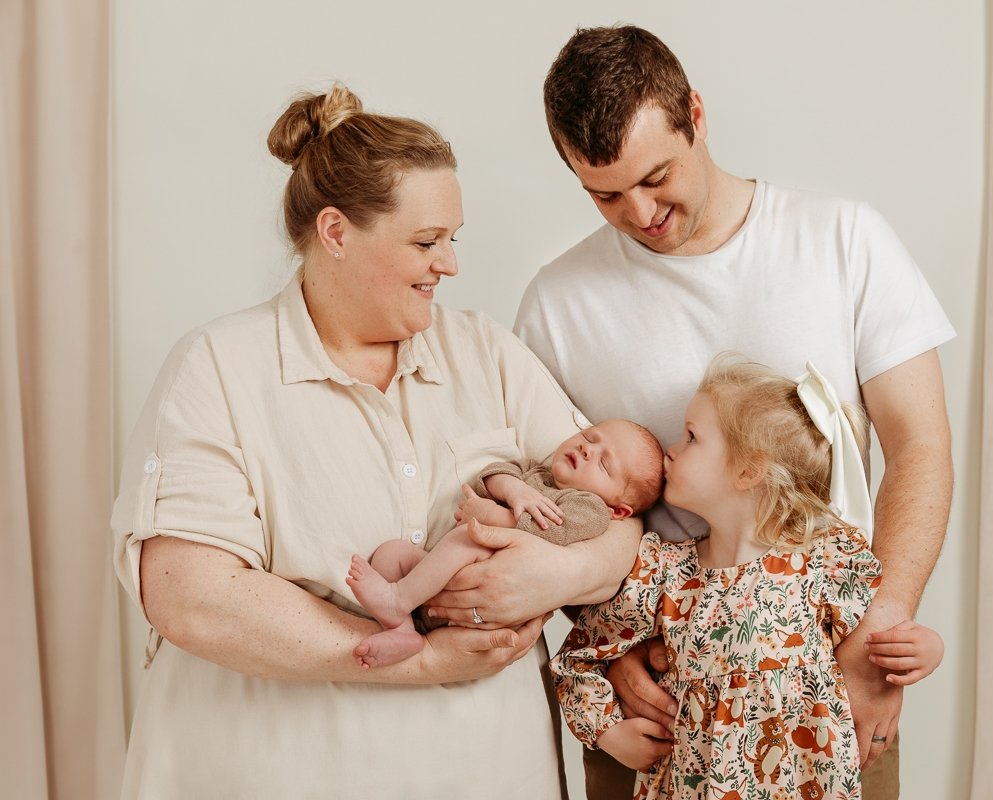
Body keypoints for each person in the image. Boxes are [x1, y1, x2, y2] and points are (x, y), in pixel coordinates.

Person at [109, 83, 642, 798]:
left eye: (454, 238)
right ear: (336, 233)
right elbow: (188, 594)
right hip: (274, 774)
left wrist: (560, 577)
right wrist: (419, 660)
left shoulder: (485, 351)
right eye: (426, 241)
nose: (450, 264)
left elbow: (616, 510)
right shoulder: (217, 369)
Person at [517, 25, 955, 800]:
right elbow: (551, 510)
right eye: (606, 193)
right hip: (652, 718)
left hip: (822, 695)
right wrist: (608, 652)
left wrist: (877, 638)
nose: (642, 211)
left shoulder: (841, 239)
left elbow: (919, 447)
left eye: (657, 176)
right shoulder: (557, 304)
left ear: (696, 114)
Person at [552, 357, 944, 799]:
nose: (671, 450)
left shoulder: (827, 564)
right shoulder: (662, 575)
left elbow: (881, 641)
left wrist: (926, 649)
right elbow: (577, 661)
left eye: (691, 437)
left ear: (748, 470)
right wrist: (607, 733)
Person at [345, 418, 664, 668]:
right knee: (390, 554)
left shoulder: (591, 509)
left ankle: (397, 599)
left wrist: (492, 514)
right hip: (438, 579)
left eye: (604, 463)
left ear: (618, 510)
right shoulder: (537, 471)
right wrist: (514, 491)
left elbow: (553, 532)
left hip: (488, 601)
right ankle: (403, 631)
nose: (586, 449)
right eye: (589, 437)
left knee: (470, 537)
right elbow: (494, 473)